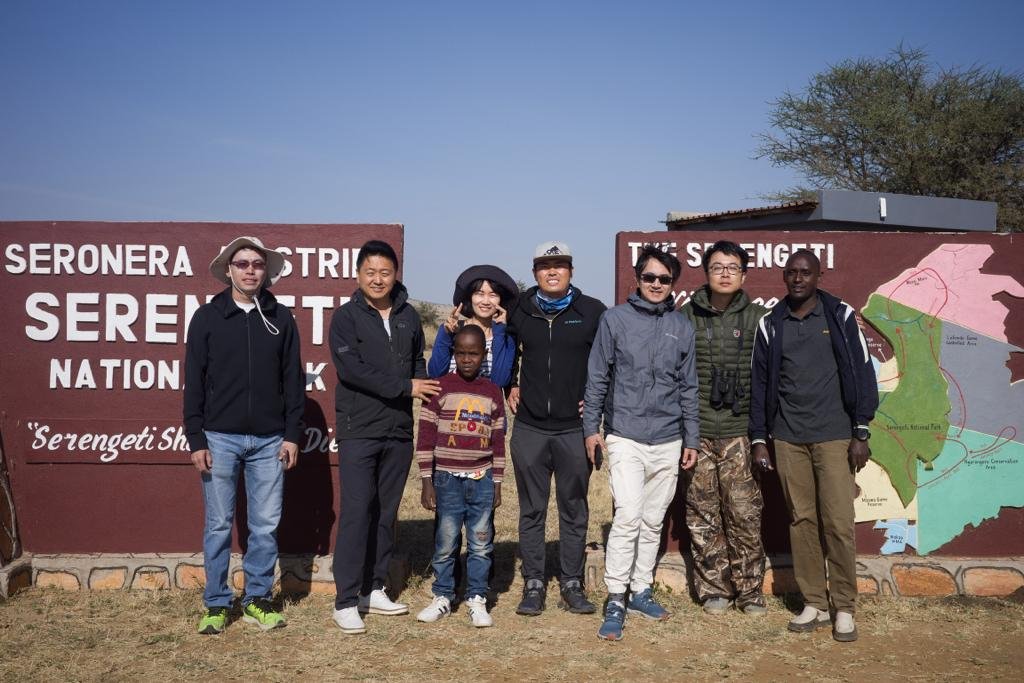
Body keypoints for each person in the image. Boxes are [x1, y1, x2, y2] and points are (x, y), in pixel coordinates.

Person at [749, 249, 878, 643]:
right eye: (791, 273)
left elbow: (862, 369)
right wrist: (759, 438)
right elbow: (760, 383)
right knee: (801, 521)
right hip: (788, 437)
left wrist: (860, 431)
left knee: (838, 522)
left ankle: (844, 608)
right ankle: (815, 604)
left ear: (819, 276)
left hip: (835, 435)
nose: (798, 279)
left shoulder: (839, 316)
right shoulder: (771, 323)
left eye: (806, 272)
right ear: (784, 278)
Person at [184, 236, 304, 634]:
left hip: (270, 440)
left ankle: (257, 598)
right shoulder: (207, 317)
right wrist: (196, 440)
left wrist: (291, 435)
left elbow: (293, 381)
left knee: (265, 526)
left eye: (257, 264)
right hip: (219, 437)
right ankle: (217, 604)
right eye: (242, 264)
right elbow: (193, 384)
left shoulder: (281, 317)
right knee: (218, 524)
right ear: (229, 269)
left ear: (266, 270)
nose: (250, 270)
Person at [583, 245, 699, 641]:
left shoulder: (681, 325)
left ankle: (640, 591)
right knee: (628, 515)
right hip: (625, 433)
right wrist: (591, 429)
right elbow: (597, 376)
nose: (655, 284)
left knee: (653, 520)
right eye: (649, 277)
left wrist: (691, 438)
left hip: (669, 437)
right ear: (637, 278)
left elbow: (689, 387)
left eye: (664, 279)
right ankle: (616, 596)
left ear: (673, 284)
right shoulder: (614, 320)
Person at [329, 239, 441, 635]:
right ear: (358, 275)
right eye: (370, 272)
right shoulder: (346, 318)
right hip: (359, 428)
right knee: (358, 511)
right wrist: (405, 387)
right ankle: (345, 599)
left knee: (385, 513)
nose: (378, 279)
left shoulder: (408, 316)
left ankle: (373, 589)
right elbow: (352, 371)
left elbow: (417, 365)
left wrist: (420, 385)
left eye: (385, 272)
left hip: (398, 430)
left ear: (396, 276)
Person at [506, 241, 607, 616]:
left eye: (560, 265)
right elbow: (504, 351)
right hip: (530, 426)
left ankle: (571, 583)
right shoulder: (519, 309)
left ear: (571, 271)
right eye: (545, 266)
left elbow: (607, 362)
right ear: (534, 272)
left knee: (574, 508)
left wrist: (599, 403)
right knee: (532, 509)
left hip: (574, 429)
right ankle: (534, 583)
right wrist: (509, 385)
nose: (552, 271)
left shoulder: (593, 311)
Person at [680, 241, 768, 616]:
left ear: (744, 274)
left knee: (744, 514)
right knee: (702, 514)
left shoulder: (759, 318)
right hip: (697, 432)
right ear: (706, 273)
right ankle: (714, 588)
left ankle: (750, 592)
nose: (726, 273)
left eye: (733, 267)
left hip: (739, 431)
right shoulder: (686, 317)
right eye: (718, 267)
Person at [415, 325, 506, 628]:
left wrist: (497, 482)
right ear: (454, 354)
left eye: (474, 353)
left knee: (481, 542)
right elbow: (425, 438)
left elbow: (498, 441)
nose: (467, 359)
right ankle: (443, 595)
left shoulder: (493, 392)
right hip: (446, 480)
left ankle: (477, 597)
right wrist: (427, 480)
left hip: (481, 479)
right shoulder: (438, 388)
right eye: (462, 353)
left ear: (484, 355)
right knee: (446, 540)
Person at [428, 264, 518, 387]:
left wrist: (499, 333)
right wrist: (446, 335)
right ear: (470, 297)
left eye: (493, 295)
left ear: (500, 300)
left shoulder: (505, 337)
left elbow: (499, 382)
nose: (486, 301)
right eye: (479, 294)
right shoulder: (452, 330)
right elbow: (436, 374)